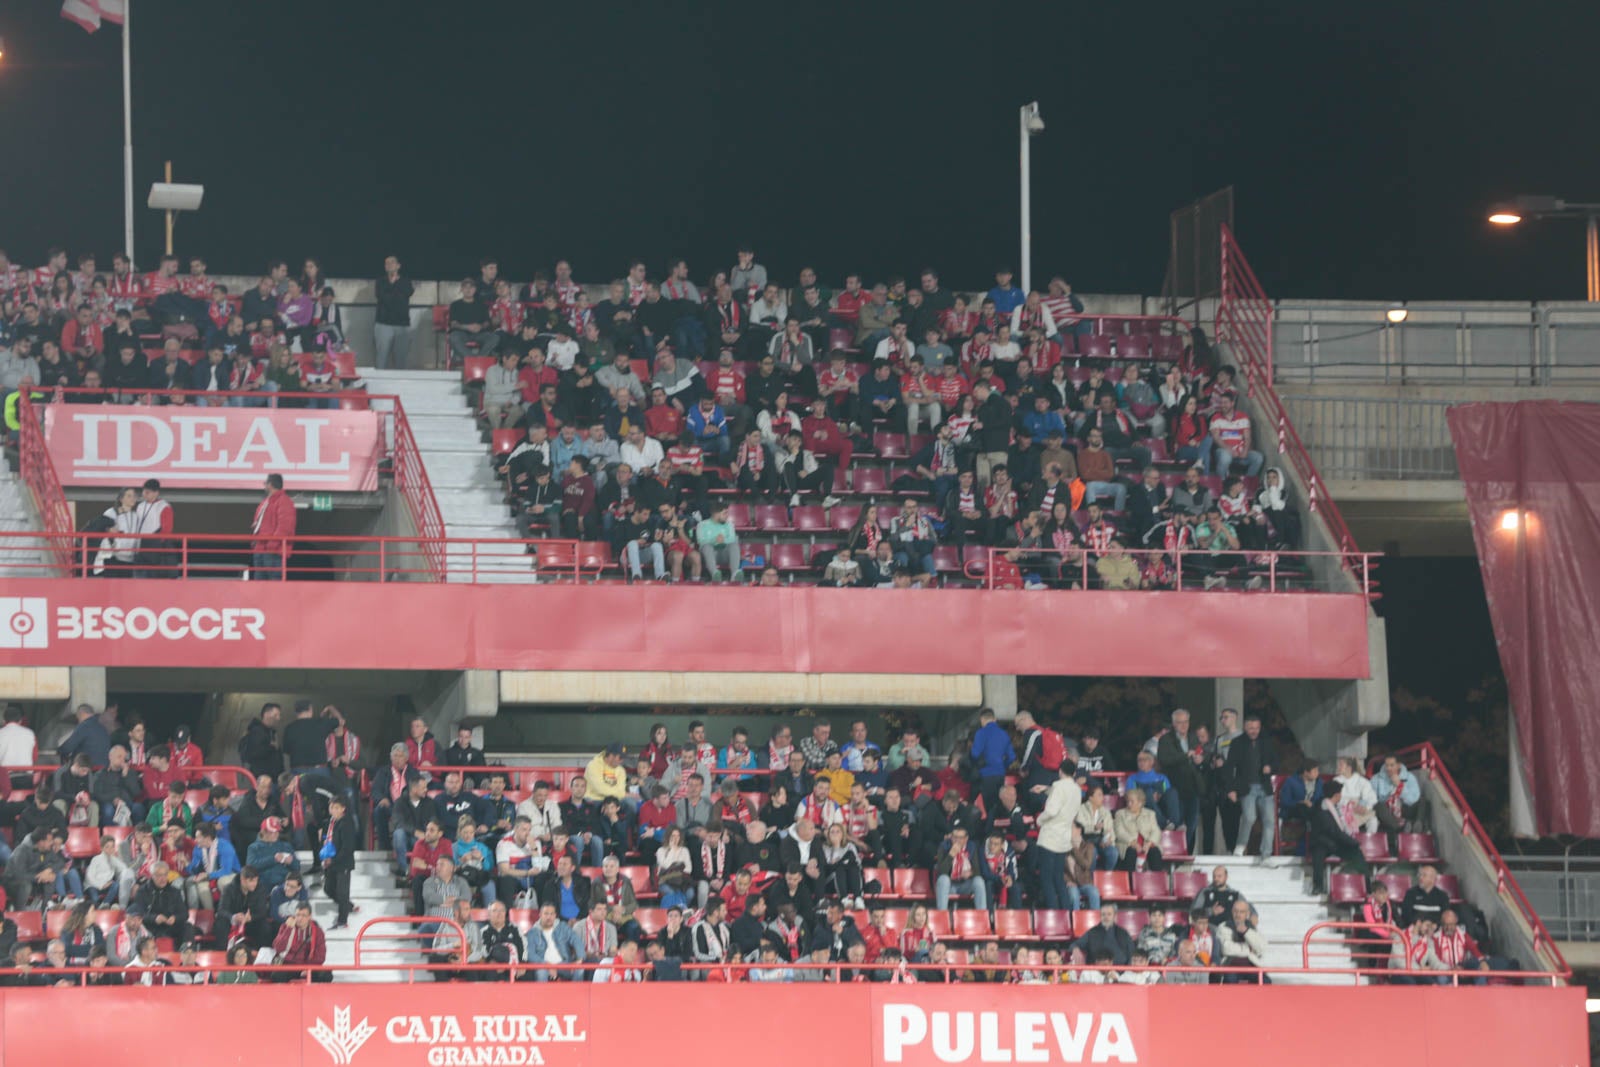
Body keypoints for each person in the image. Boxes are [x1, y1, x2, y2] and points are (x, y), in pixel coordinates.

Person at [1226, 713, 1278, 857]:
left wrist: (1270, 768)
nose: (1254, 731)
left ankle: (1266, 853)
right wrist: (1230, 789)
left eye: (1256, 728)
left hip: (1264, 786)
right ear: (1245, 727)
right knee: (1249, 817)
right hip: (1246, 787)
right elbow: (1229, 767)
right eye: (1250, 728)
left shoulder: (1266, 742)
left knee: (1269, 820)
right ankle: (1240, 846)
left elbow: (1276, 762)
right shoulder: (1237, 743)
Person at [933, 826, 987, 911]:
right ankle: (942, 914)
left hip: (966, 884)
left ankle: (982, 915)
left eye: (960, 838)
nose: (957, 840)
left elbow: (978, 870)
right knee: (943, 879)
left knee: (979, 881)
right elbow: (941, 871)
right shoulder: (944, 846)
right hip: (949, 885)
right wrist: (951, 855)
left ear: (966, 839)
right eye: (954, 837)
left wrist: (970, 873)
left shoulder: (972, 847)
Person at [273, 902, 329, 982]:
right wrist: (288, 929)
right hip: (289, 966)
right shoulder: (285, 927)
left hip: (309, 967)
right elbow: (278, 948)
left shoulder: (318, 932)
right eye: (298, 915)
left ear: (310, 917)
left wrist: (308, 969)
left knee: (326, 975)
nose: (299, 918)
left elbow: (320, 956)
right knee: (276, 975)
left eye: (303, 915)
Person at [1113, 787, 1165, 872]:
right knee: (1131, 852)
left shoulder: (1150, 814)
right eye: (1128, 801)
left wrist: (1149, 843)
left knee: (1155, 852)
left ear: (1140, 803)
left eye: (1132, 801)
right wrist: (1133, 843)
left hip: (1146, 844)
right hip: (1128, 845)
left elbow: (1156, 831)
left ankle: (1157, 882)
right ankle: (1130, 881)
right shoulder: (1120, 814)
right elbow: (1119, 832)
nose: (1129, 804)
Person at [525, 902, 580, 982]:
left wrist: (579, 958)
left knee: (579, 969)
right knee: (541, 972)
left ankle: (577, 994)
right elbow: (531, 954)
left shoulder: (563, 928)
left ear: (555, 915)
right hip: (543, 966)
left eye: (551, 914)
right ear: (540, 915)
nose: (549, 917)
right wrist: (547, 965)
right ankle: (541, 995)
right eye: (546, 914)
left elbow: (576, 941)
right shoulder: (532, 932)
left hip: (563, 964)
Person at [1218, 899, 1267, 982]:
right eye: (1236, 911)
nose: (1238, 914)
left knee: (1266, 981)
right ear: (1232, 912)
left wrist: (1246, 932)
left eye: (1242, 912)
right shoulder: (1224, 926)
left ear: (1247, 914)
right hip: (1231, 966)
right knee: (1230, 979)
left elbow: (1261, 948)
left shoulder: (1251, 928)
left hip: (1251, 966)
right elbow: (1227, 949)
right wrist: (1249, 949)